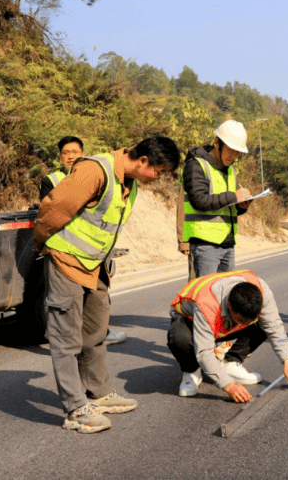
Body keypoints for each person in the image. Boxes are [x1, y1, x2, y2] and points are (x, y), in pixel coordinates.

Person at [33, 134, 180, 433]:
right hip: (66, 260)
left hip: (94, 266)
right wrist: (41, 243)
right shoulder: (95, 170)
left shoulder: (131, 183)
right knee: (66, 338)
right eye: (158, 172)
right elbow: (55, 207)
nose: (157, 179)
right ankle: (75, 408)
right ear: (142, 161)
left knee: (96, 331)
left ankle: (97, 393)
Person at [39, 135, 127, 347]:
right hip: (66, 246)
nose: (71, 156)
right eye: (66, 153)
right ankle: (62, 337)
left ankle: (100, 330)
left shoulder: (94, 175)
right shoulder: (51, 180)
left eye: (75, 152)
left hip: (92, 246)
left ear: (83, 154)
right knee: (66, 298)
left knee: (96, 294)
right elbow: (49, 209)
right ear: (60, 157)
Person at [167, 270, 288, 401]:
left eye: (250, 320)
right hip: (191, 321)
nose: (245, 324)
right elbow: (204, 352)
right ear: (229, 306)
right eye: (241, 320)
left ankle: (230, 363)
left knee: (265, 325)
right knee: (179, 337)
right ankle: (192, 370)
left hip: (220, 323)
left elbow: (274, 326)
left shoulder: (261, 291)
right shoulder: (207, 303)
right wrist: (229, 385)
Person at [181, 120, 253, 277]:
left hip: (227, 243)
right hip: (204, 245)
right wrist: (234, 196)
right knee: (204, 297)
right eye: (230, 150)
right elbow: (199, 201)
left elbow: (227, 207)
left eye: (237, 152)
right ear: (216, 142)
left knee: (224, 295)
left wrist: (241, 206)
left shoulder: (230, 170)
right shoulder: (196, 165)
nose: (234, 156)